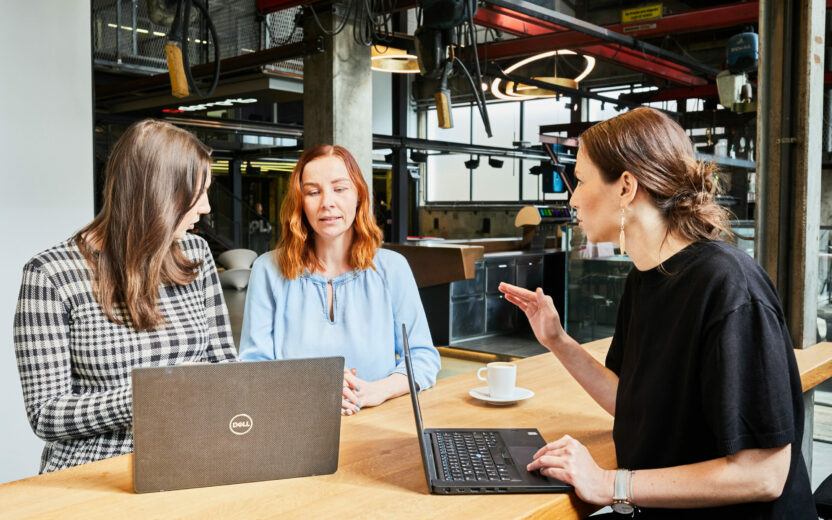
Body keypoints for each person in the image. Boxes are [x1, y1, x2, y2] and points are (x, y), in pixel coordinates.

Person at [499, 107, 814, 518]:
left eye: (579, 180)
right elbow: (631, 402)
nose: (573, 198)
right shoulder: (645, 279)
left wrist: (611, 483)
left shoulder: (728, 286)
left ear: (626, 187)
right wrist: (557, 340)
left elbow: (764, 473)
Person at [14, 119, 238, 473]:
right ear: (158, 193)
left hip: (192, 459)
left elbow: (225, 363)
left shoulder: (195, 252)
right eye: (198, 193)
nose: (207, 207)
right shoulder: (49, 274)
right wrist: (148, 395)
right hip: (95, 471)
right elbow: (46, 415)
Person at [239, 145, 440, 415]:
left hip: (377, 421)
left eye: (340, 188)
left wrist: (377, 391)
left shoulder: (393, 268)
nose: (327, 203)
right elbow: (253, 366)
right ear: (300, 202)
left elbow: (423, 357)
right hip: (296, 421)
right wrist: (313, 389)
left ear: (358, 195)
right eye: (313, 192)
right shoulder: (268, 269)